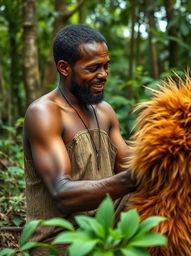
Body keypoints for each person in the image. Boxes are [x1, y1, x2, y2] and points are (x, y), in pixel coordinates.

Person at [23, 24, 136, 255]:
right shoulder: (45, 113)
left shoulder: (104, 111)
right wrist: (133, 178)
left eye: (106, 66)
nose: (103, 74)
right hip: (58, 240)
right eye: (93, 68)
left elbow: (129, 167)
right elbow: (63, 195)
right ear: (64, 68)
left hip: (103, 229)